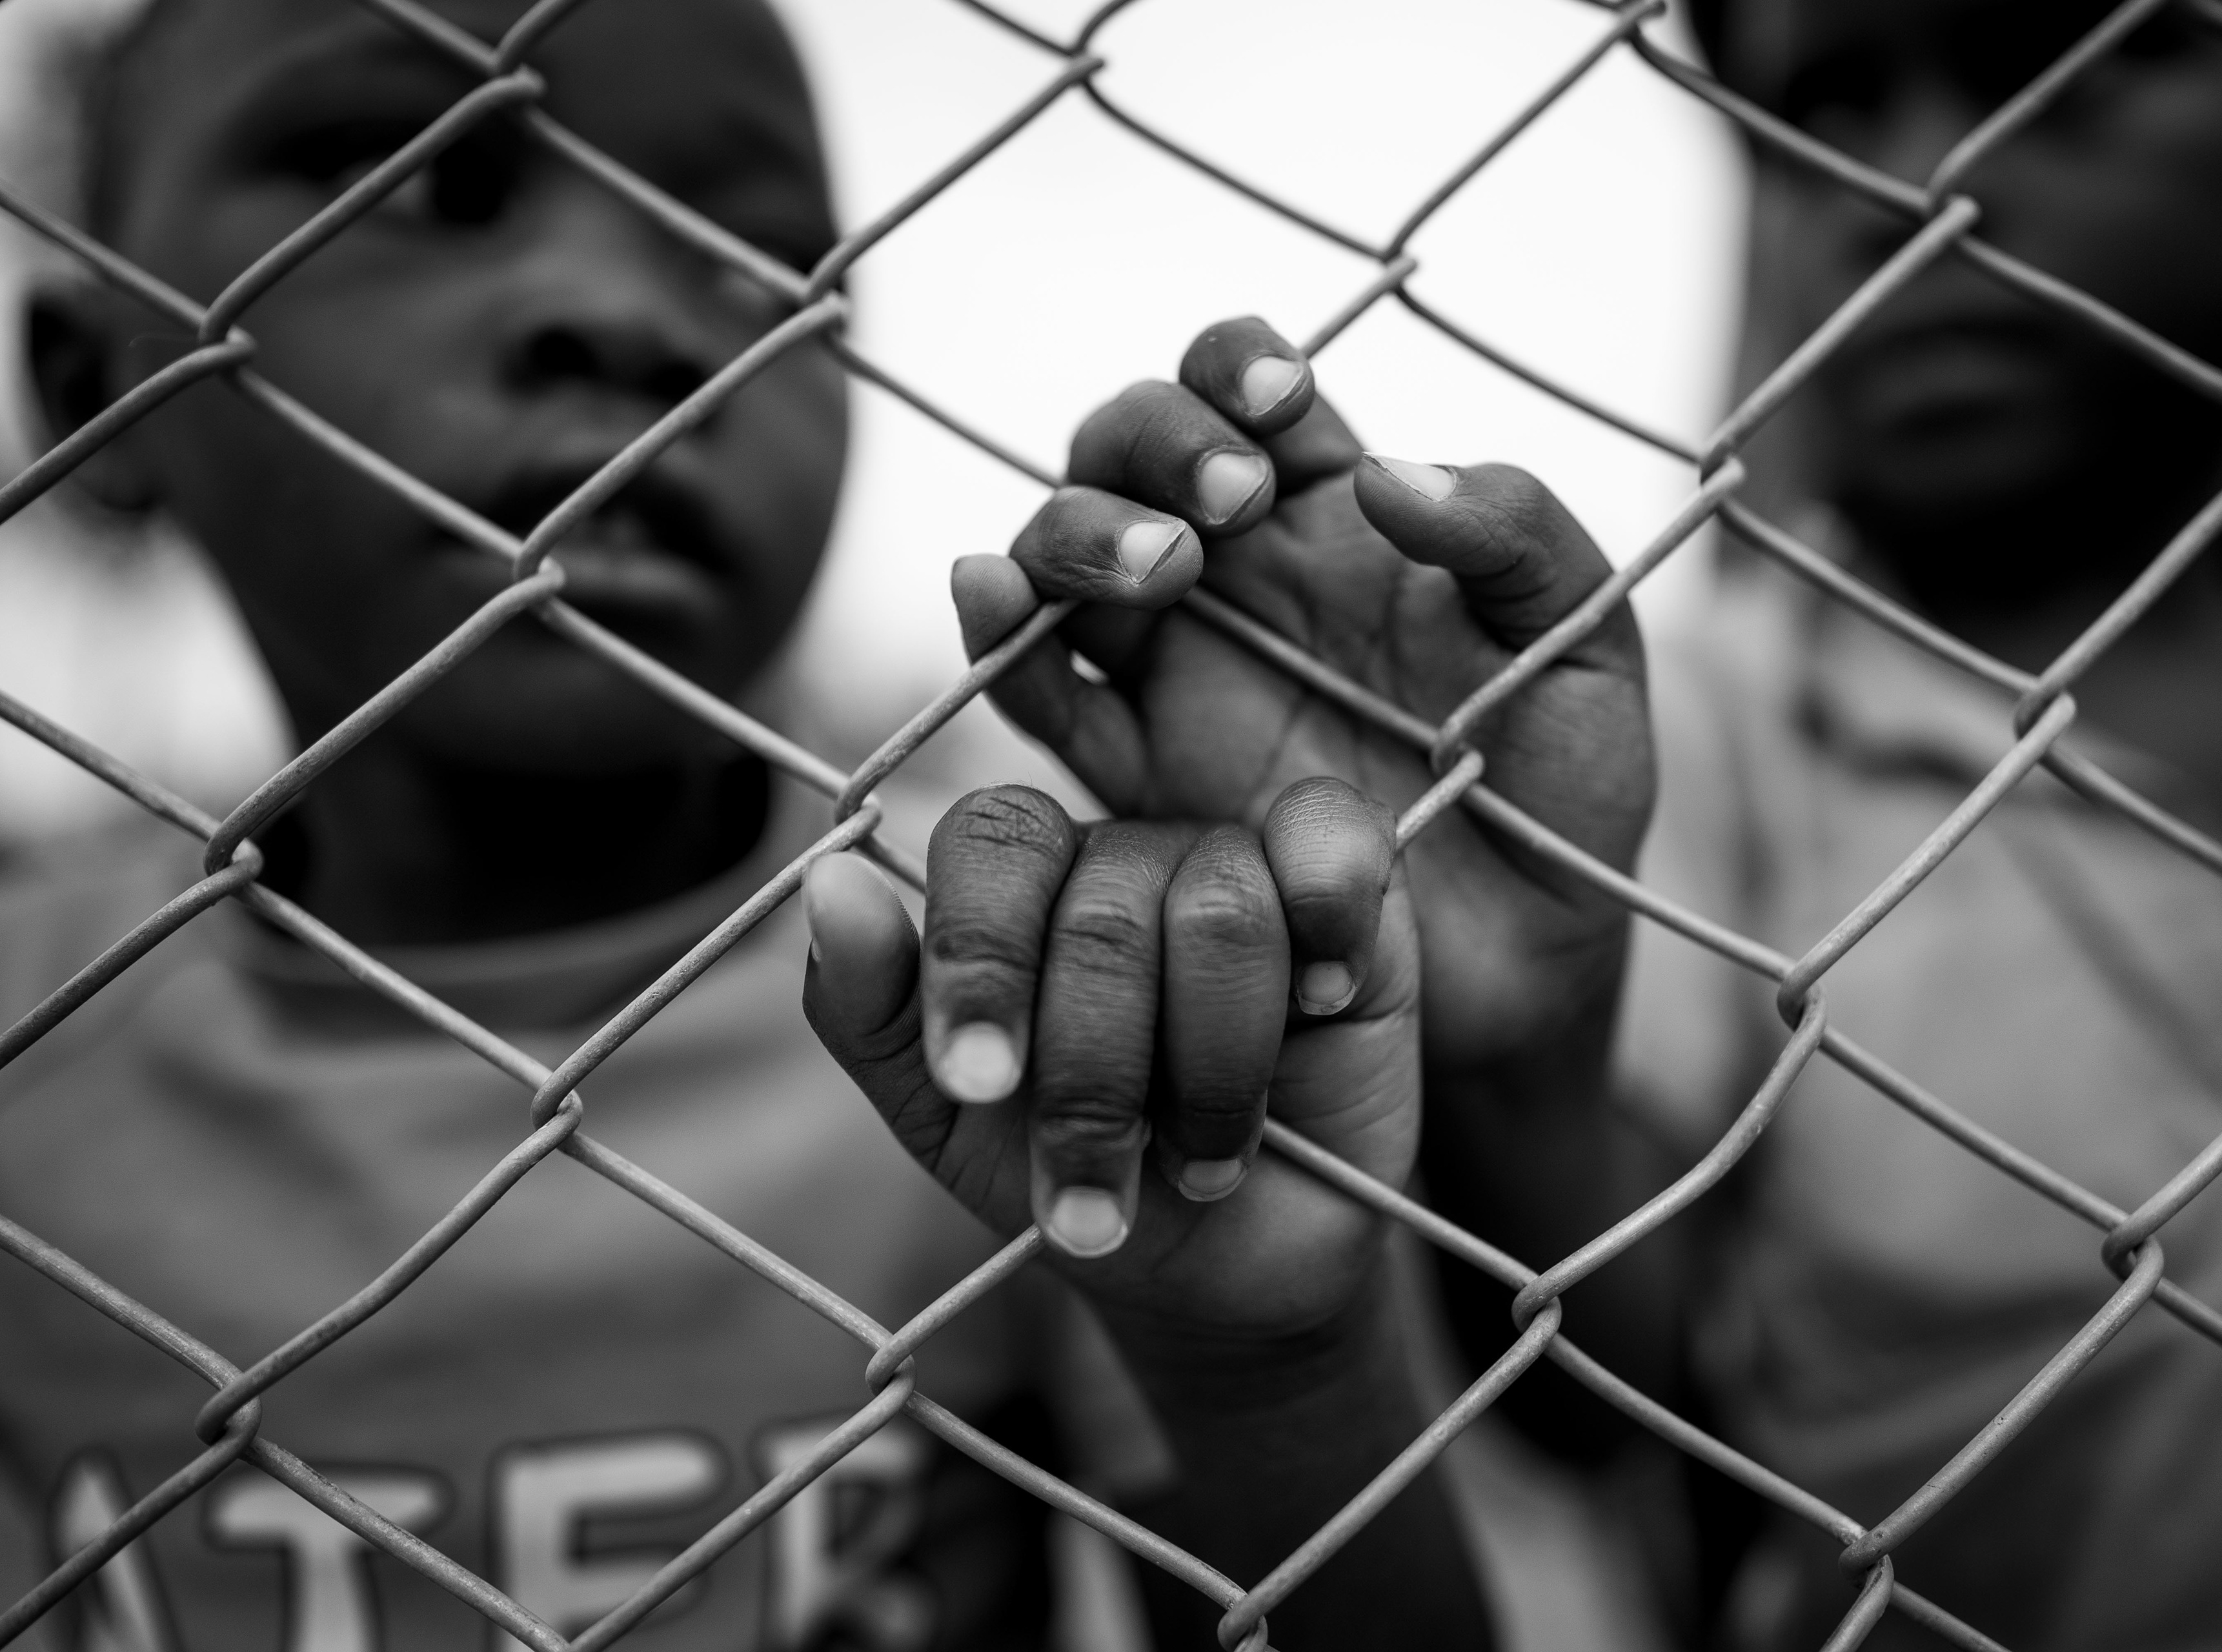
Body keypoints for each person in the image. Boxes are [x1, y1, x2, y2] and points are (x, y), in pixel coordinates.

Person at [909, 1, 2222, 1648]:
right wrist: (1527, 1047)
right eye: (1825, 105)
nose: (1901, 184)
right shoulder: (1671, 736)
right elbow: (1618, 1386)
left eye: (2055, 70)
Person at [0, 1, 1495, 1648]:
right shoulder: (28, 1061)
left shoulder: (1006, 999)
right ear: (100, 385)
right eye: (408, 178)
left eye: (757, 251)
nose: (630, 317)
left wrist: (1271, 1362)